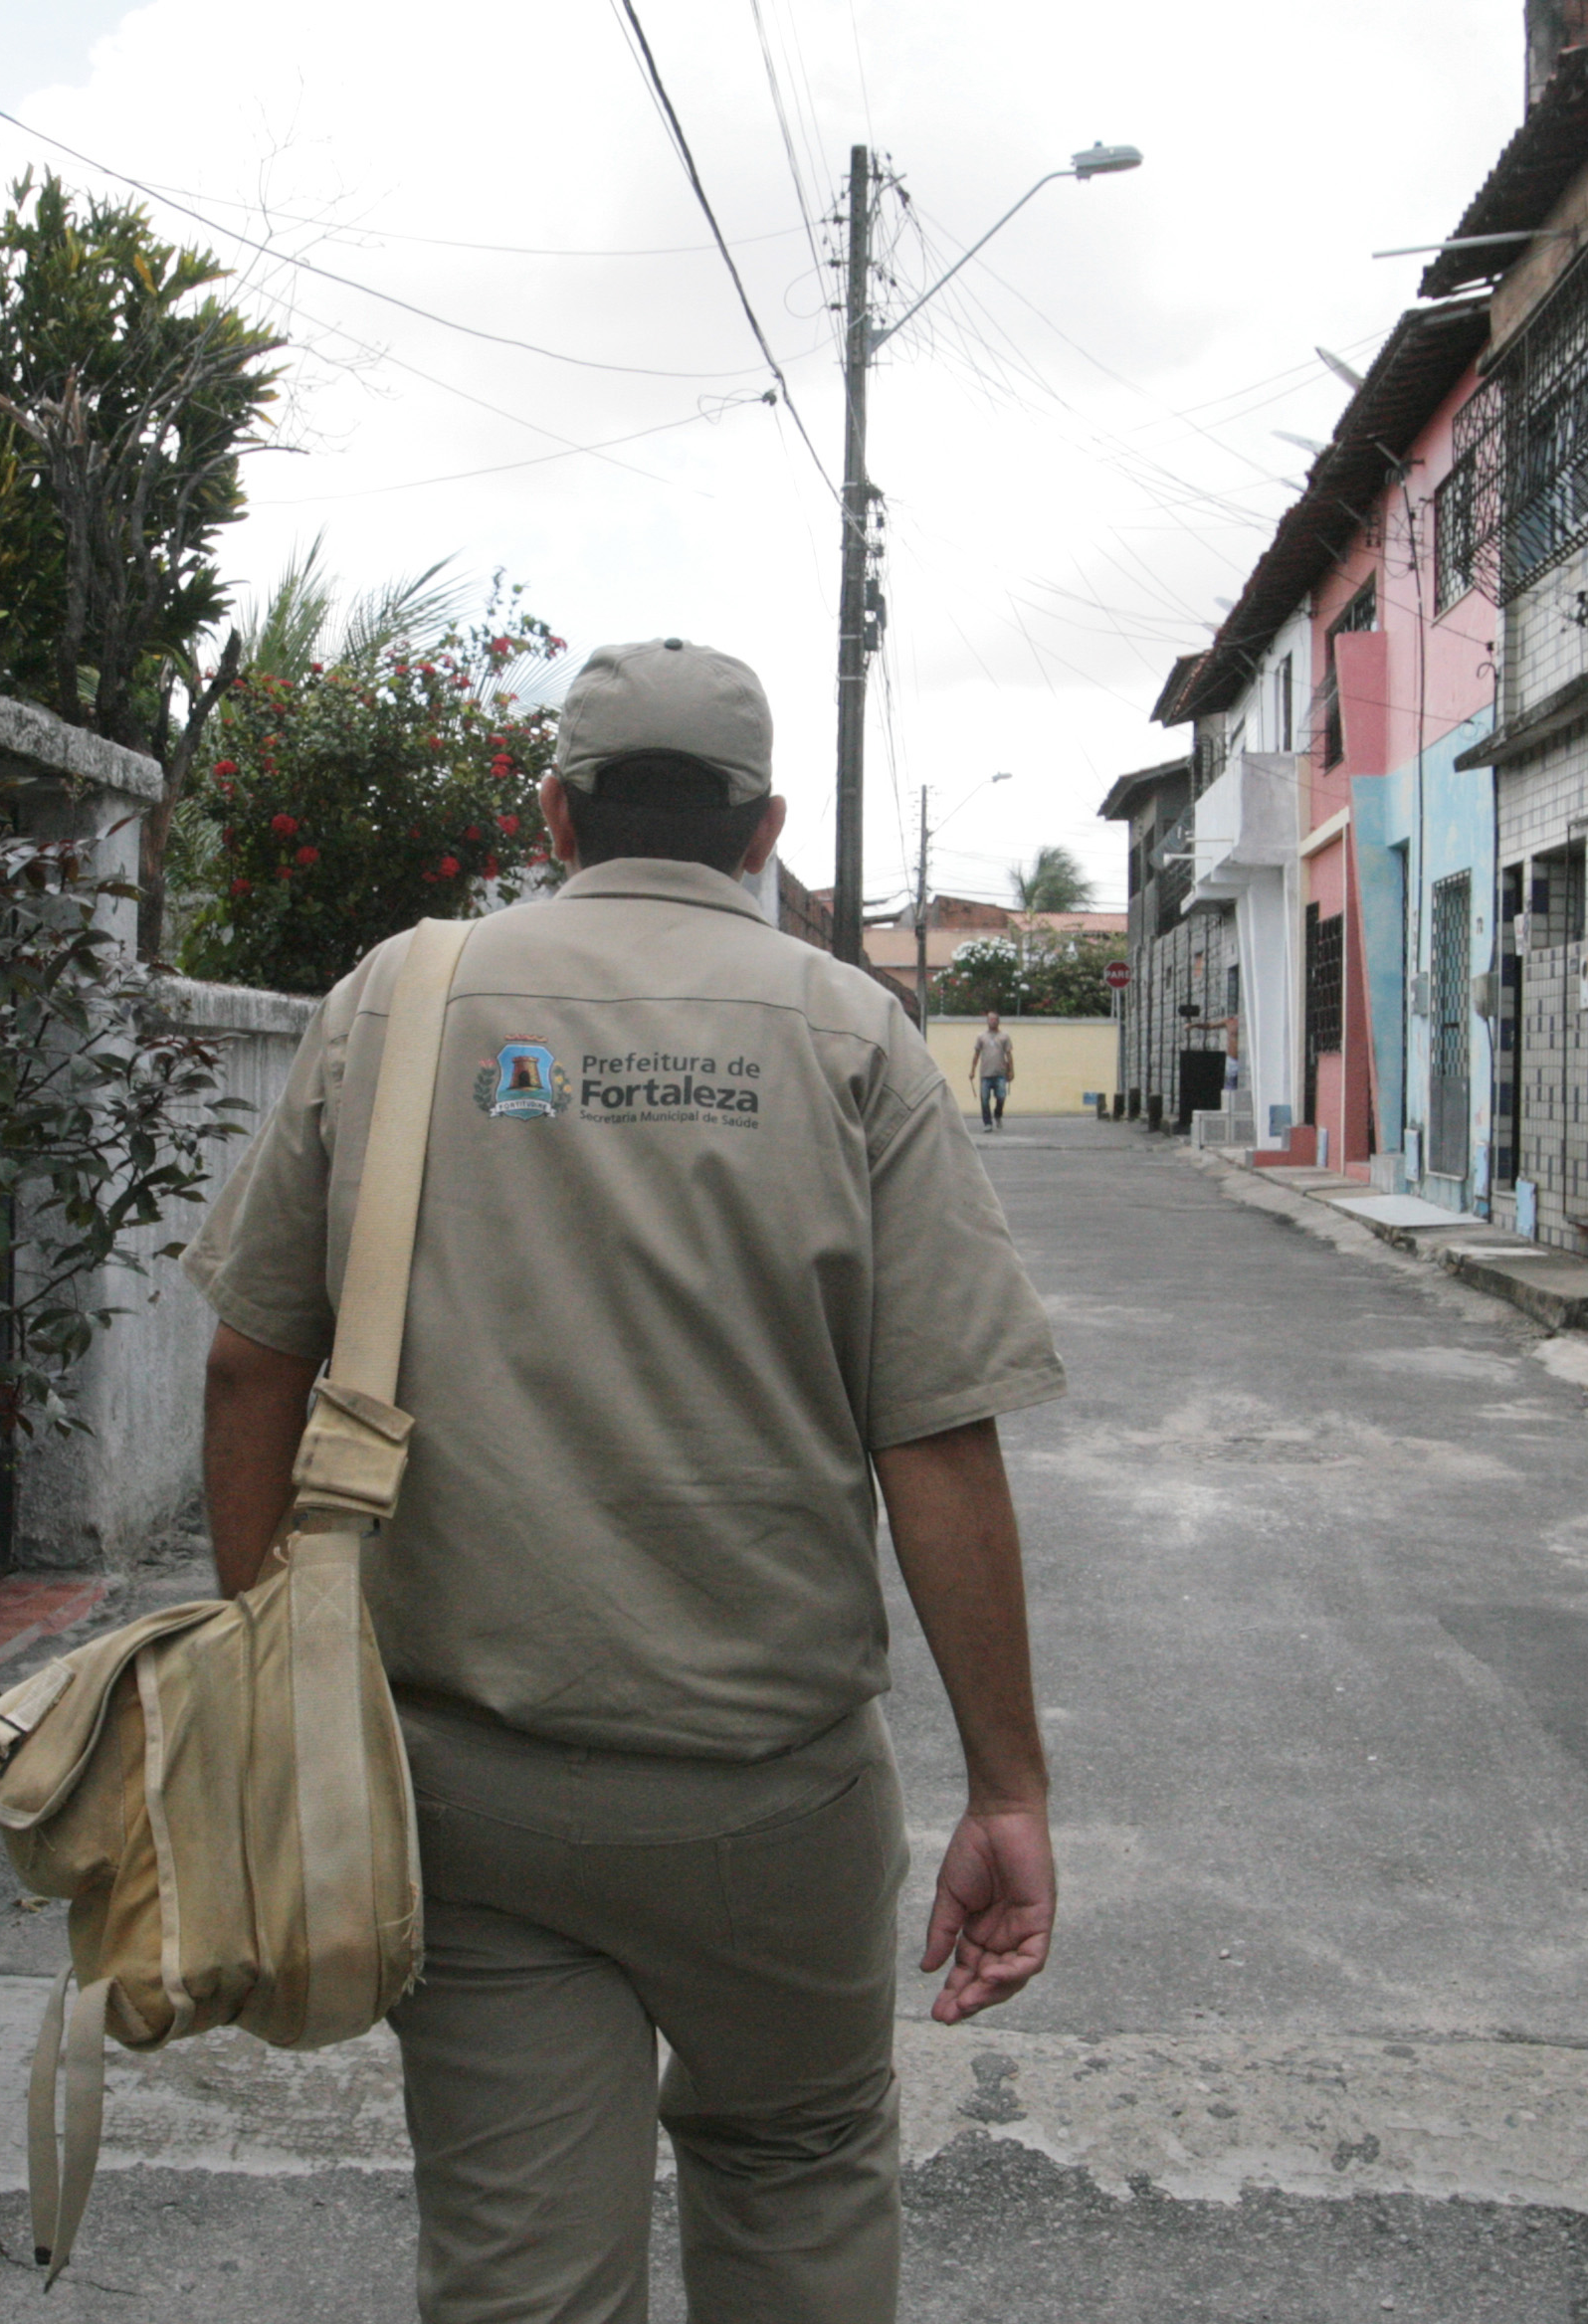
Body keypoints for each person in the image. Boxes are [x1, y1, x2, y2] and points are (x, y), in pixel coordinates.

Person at [181, 637, 1066, 2324]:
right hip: (770, 1793)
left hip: (465, 1794)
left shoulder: (399, 997)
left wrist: (262, 1686)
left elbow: (245, 1365)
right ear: (766, 829)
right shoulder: (854, 1035)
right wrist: (1004, 1786)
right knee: (796, 2174)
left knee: (519, 2272)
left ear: (553, 810)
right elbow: (937, 1442)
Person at [969, 1010, 1015, 1131]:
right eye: (990, 1019)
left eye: (995, 1019)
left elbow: (1009, 1055)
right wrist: (972, 1070)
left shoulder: (1004, 1036)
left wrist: (1011, 1071)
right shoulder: (981, 1037)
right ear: (987, 1021)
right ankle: (987, 1123)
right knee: (984, 1100)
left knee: (1001, 1097)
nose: (993, 1021)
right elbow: (976, 1054)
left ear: (998, 1021)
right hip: (985, 1074)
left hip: (1000, 1073)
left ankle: (998, 1114)